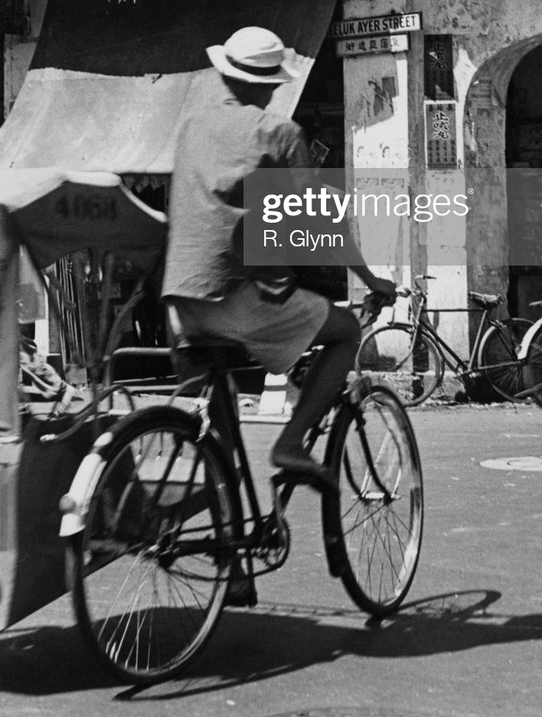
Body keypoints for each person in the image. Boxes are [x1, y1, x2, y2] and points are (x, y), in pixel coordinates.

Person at [163, 26, 397, 494]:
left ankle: (232, 530)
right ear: (271, 85)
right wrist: (371, 280)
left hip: (178, 303)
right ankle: (290, 443)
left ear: (225, 75)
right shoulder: (279, 132)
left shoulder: (190, 128)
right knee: (346, 332)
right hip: (237, 296)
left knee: (225, 459)